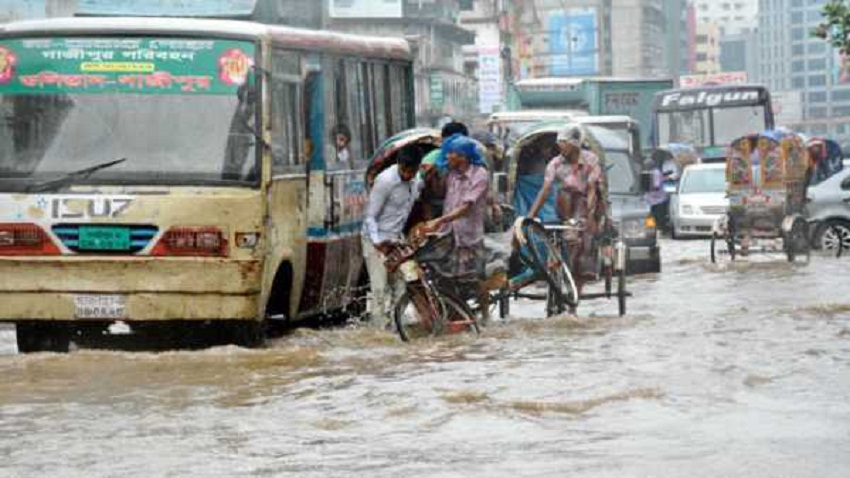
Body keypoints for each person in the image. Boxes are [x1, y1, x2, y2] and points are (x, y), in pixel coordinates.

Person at [526, 123, 603, 309]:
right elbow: (545, 190)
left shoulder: (591, 160)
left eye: (564, 142)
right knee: (565, 193)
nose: (560, 146)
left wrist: (588, 216)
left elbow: (592, 190)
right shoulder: (555, 163)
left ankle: (576, 291)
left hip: (586, 206)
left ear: (574, 144)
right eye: (559, 142)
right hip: (565, 208)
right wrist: (529, 216)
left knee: (582, 256)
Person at [420, 135, 491, 323]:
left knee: (477, 279)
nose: (447, 156)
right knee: (445, 277)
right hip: (448, 234)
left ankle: (485, 317)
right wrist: (429, 173)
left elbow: (466, 207)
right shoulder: (451, 174)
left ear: (463, 156)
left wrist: (439, 220)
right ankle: (454, 315)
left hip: (470, 236)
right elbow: (435, 191)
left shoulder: (480, 175)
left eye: (451, 153)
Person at [361, 146, 423, 328]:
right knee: (379, 289)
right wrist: (377, 242)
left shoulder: (417, 181)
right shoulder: (385, 181)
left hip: (396, 239)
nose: (407, 175)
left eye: (411, 171)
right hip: (376, 240)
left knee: (401, 287)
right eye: (404, 170)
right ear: (399, 164)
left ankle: (397, 327)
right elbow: (370, 217)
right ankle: (378, 330)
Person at [644, 156, 669, 231]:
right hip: (652, 200)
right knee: (650, 215)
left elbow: (656, 186)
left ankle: (659, 229)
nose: (646, 167)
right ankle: (651, 227)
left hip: (658, 200)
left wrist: (647, 185)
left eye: (647, 165)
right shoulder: (650, 173)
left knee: (657, 217)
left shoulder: (656, 173)